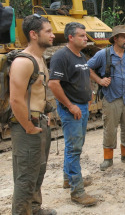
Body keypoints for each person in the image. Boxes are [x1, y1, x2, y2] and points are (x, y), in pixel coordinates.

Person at [9, 14, 56, 215]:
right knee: (26, 177)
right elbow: (16, 100)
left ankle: (34, 209)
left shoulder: (39, 59)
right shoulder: (23, 61)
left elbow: (40, 92)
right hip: (27, 127)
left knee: (39, 171)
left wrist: (49, 114)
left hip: (40, 124)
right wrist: (28, 126)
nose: (53, 35)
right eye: (48, 31)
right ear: (33, 34)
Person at [48, 22, 98, 206]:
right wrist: (70, 105)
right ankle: (77, 191)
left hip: (82, 106)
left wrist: (90, 94)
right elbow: (53, 84)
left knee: (74, 146)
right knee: (74, 149)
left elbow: (84, 77)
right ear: (70, 37)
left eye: (85, 35)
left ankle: (68, 179)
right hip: (73, 110)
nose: (86, 38)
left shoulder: (81, 55)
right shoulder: (61, 56)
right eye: (82, 36)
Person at [88, 25, 125, 171]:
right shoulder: (103, 54)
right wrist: (99, 81)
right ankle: (108, 158)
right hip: (111, 98)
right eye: (123, 37)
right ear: (115, 39)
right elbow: (88, 68)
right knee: (110, 129)